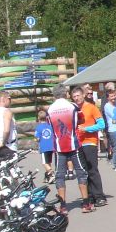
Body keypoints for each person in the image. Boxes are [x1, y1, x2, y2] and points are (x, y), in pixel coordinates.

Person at [46, 84, 92, 213]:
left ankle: (63, 206)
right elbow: (81, 120)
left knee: (60, 176)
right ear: (66, 94)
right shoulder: (73, 107)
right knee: (81, 173)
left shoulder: (50, 109)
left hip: (59, 147)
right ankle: (85, 204)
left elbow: (49, 124)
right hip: (74, 145)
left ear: (54, 95)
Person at [71, 86, 107, 207]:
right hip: (78, 144)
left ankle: (99, 196)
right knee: (83, 171)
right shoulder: (74, 110)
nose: (76, 98)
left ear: (83, 95)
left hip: (90, 142)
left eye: (78, 96)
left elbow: (101, 124)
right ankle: (89, 196)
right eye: (74, 97)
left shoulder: (91, 107)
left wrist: (86, 129)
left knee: (92, 169)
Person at [34, 109, 55, 184]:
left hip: (44, 147)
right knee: (48, 162)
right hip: (51, 147)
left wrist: (36, 140)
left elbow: (37, 138)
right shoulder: (50, 126)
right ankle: (47, 177)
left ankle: (51, 173)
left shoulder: (38, 127)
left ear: (38, 118)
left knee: (44, 163)